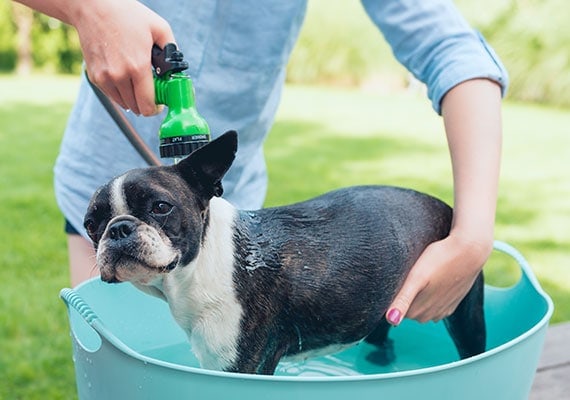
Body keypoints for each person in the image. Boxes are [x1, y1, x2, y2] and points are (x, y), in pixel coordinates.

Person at [15, 0, 508, 327]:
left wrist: (472, 238)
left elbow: (452, 49)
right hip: (103, 199)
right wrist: (87, 8)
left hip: (230, 214)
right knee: (125, 377)